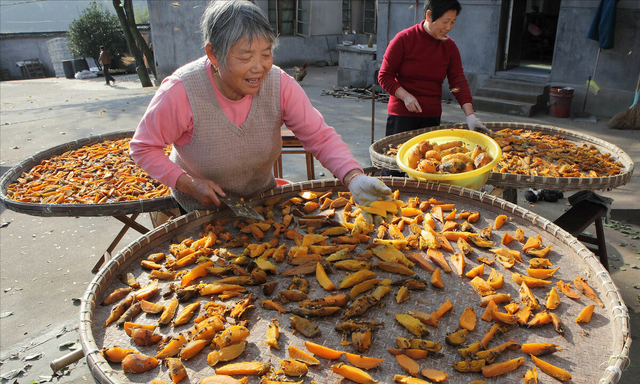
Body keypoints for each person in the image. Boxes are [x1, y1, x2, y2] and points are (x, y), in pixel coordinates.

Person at [130, 0, 390, 213]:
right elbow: (142, 147)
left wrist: (353, 176)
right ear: (214, 55)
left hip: (261, 199)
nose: (259, 66)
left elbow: (319, 136)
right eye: (245, 56)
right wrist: (187, 183)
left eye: (266, 54)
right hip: (200, 207)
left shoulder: (279, 84)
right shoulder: (181, 91)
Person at [378, 0, 487, 137]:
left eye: (452, 22)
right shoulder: (404, 39)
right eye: (445, 21)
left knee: (429, 158)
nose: (448, 27)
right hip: (402, 116)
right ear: (429, 16)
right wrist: (405, 96)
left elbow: (458, 82)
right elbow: (384, 75)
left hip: (432, 117)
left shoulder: (449, 47)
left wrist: (470, 115)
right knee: (396, 156)